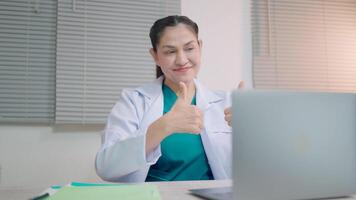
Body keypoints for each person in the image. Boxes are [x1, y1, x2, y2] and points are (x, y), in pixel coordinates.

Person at [95, 15, 233, 182]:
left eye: (189, 48)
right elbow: (106, 167)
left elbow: (260, 170)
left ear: (200, 47)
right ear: (155, 56)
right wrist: (162, 127)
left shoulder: (228, 103)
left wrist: (251, 134)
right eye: (170, 51)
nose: (182, 60)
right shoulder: (134, 101)